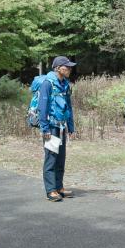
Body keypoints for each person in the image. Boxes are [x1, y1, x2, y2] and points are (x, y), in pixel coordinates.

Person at [39, 56, 76, 202]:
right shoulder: (48, 84)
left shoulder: (65, 84)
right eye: (66, 67)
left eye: (70, 67)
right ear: (58, 68)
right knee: (51, 158)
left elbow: (69, 106)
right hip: (51, 127)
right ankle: (51, 190)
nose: (69, 69)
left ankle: (59, 187)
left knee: (61, 158)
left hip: (62, 126)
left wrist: (71, 126)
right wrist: (45, 128)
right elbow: (42, 107)